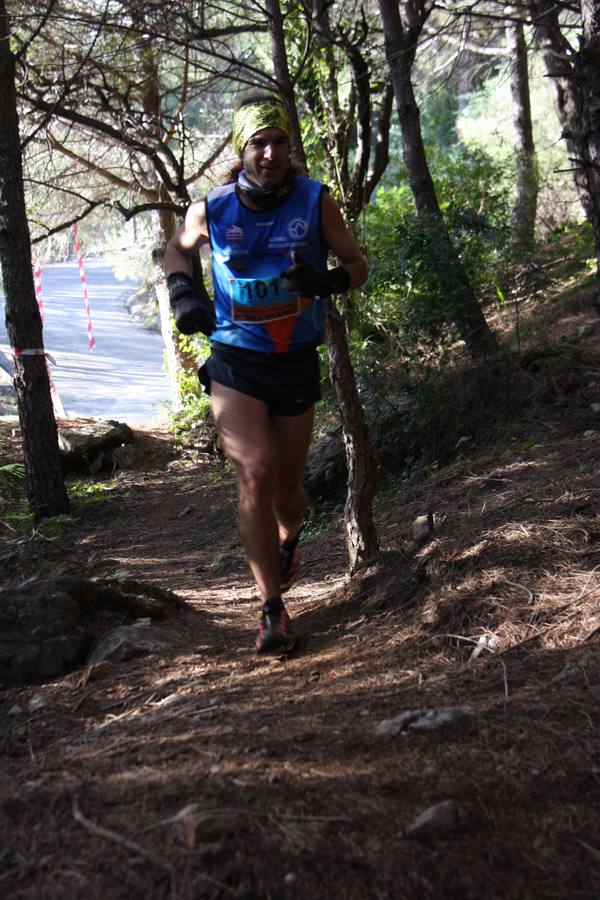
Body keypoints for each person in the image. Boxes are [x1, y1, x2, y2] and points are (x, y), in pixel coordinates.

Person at [164, 92, 367, 653]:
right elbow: (175, 251)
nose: (270, 153)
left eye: (279, 142)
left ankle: (289, 535)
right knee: (253, 472)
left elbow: (358, 265)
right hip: (236, 360)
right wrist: (185, 295)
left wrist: (326, 283)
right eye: (259, 143)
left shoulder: (314, 201)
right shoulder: (212, 208)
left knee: (286, 493)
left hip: (295, 358)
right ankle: (271, 609)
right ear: (240, 149)